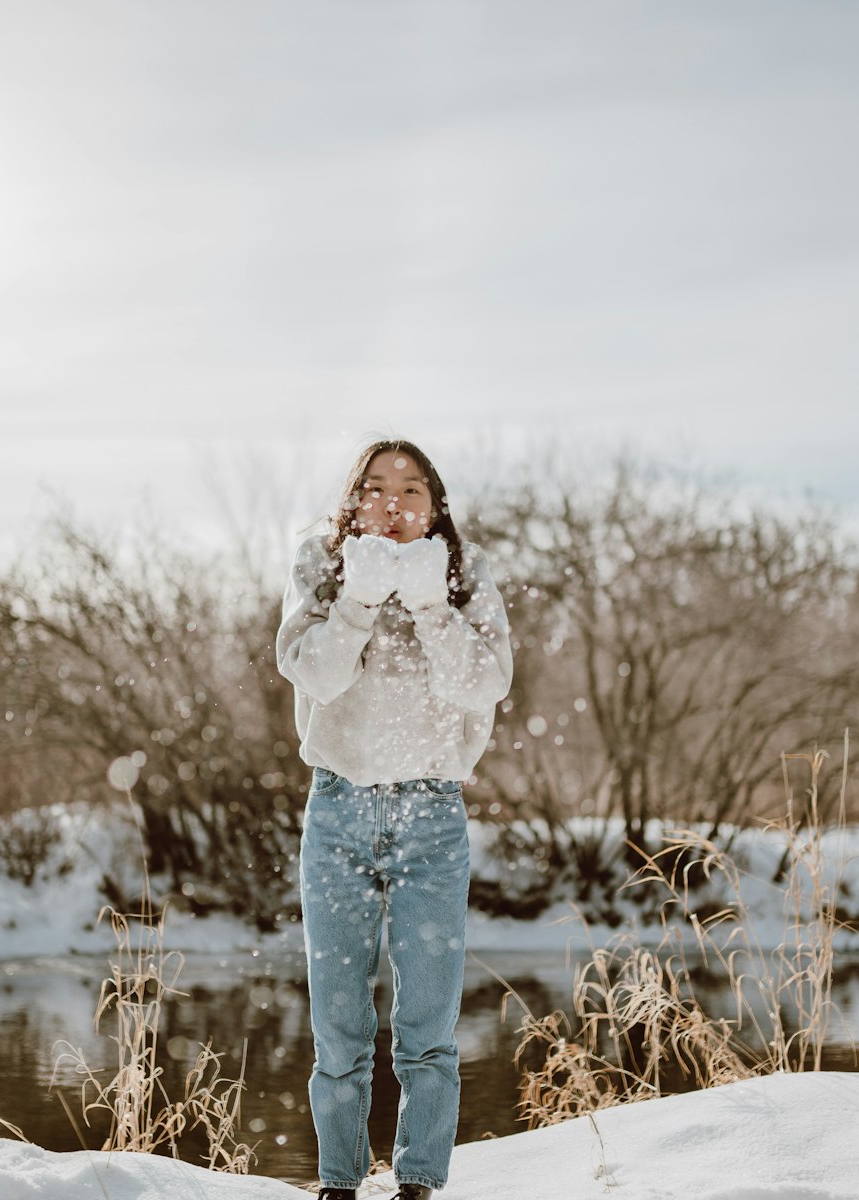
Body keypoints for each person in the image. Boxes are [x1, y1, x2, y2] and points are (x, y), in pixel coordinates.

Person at [276, 438, 513, 1200]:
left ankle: (417, 1182)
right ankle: (339, 1184)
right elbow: (311, 669)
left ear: (434, 505)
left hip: (432, 816)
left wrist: (428, 604)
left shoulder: (465, 576)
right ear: (354, 501)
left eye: (411, 490)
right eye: (375, 487)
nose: (393, 502)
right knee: (339, 1024)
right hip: (338, 807)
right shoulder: (321, 563)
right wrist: (357, 598)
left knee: (427, 1026)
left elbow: (485, 686)